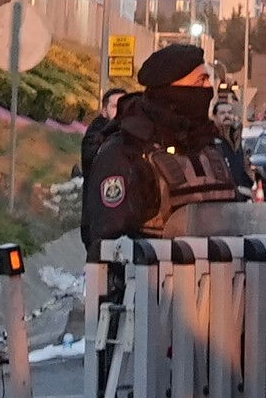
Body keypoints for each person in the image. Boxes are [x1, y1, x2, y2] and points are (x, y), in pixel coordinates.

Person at [78, 38, 253, 245]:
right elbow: (107, 241)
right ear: (171, 90)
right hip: (152, 276)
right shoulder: (126, 151)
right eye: (200, 81)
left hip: (222, 275)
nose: (209, 89)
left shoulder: (211, 147)